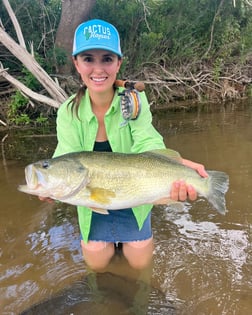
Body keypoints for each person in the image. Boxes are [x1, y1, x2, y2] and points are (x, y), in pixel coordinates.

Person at [46, 19, 208, 271]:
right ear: (76, 63)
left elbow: (149, 142)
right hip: (92, 202)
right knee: (97, 266)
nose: (98, 68)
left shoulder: (136, 99)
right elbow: (65, 157)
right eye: (88, 59)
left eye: (107, 59)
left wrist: (183, 167)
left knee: (140, 265)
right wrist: (49, 185)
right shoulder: (68, 111)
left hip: (136, 197)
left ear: (119, 63)